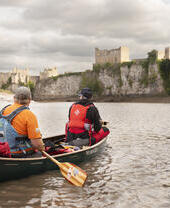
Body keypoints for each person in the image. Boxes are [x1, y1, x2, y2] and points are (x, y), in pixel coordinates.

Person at [0, 86, 45, 158]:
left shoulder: (3, 111)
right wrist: (43, 149)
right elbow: (37, 145)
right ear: (30, 100)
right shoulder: (29, 115)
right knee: (39, 153)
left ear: (14, 98)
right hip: (19, 154)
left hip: (3, 152)